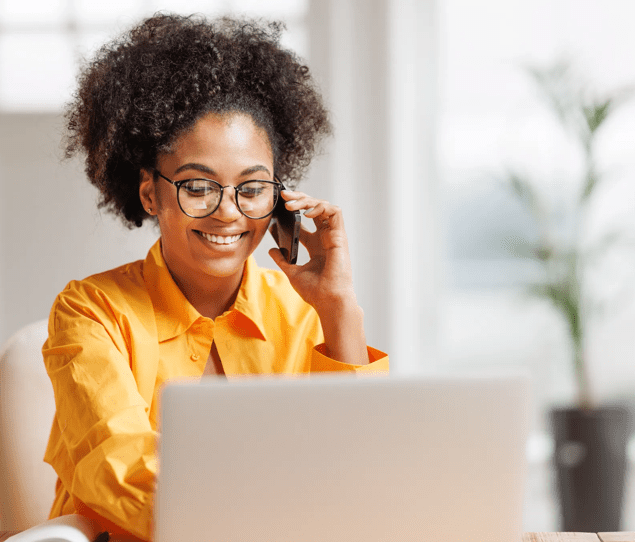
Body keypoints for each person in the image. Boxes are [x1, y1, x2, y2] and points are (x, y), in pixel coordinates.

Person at [42, 13, 389, 541]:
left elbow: (362, 468)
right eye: (198, 186)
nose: (228, 213)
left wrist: (340, 307)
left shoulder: (302, 313)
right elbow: (119, 468)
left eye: (252, 189)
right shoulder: (90, 312)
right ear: (150, 193)